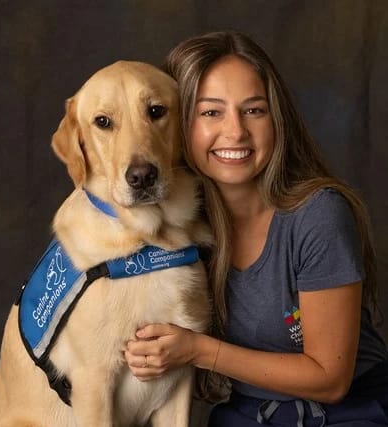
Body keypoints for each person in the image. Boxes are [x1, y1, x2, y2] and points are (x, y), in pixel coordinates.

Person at [124, 31, 388, 426]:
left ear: (276, 118)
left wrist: (197, 350)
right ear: (177, 126)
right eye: (210, 112)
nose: (236, 132)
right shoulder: (178, 228)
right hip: (250, 416)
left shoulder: (318, 216)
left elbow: (330, 379)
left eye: (253, 110)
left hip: (347, 414)